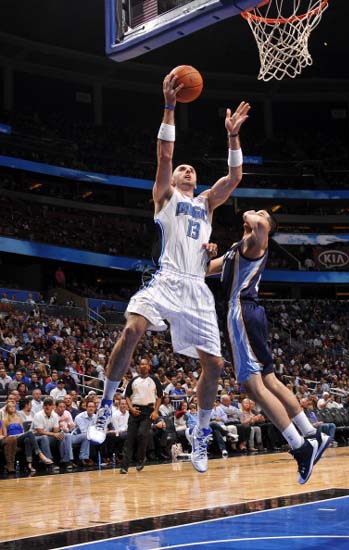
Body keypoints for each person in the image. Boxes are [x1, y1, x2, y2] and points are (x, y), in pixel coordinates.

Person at [88, 72, 250, 474]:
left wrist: (232, 138)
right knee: (132, 329)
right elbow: (163, 153)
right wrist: (170, 106)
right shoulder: (164, 198)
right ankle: (105, 407)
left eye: (192, 169)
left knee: (213, 365)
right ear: (173, 179)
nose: (187, 169)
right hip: (165, 279)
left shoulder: (208, 203)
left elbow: (234, 178)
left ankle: (201, 432)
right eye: (183, 168)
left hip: (196, 289)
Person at [207, 209, 331, 484]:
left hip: (241, 312)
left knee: (254, 387)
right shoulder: (236, 249)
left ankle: (300, 447)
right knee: (270, 379)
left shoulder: (256, 243)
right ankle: (311, 432)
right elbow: (205, 269)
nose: (257, 214)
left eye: (263, 214)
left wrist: (255, 215)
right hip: (248, 313)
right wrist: (204, 252)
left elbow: (260, 224)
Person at [120, 358, 163, 474]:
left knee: (142, 434)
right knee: (130, 438)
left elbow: (160, 396)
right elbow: (127, 396)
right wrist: (131, 408)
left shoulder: (154, 380)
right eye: (141, 364)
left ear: (149, 366)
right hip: (135, 411)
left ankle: (141, 459)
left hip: (148, 411)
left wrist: (155, 411)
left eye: (145, 364)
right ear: (139, 367)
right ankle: (124, 466)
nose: (143, 366)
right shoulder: (133, 380)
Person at [1, 401, 53, 472]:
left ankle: (29, 464)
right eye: (10, 407)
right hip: (12, 439)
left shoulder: (19, 418)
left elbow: (22, 431)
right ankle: (40, 454)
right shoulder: (4, 420)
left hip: (20, 438)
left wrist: (21, 435)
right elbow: (5, 435)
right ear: (7, 409)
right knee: (29, 433)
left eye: (13, 406)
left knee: (27, 440)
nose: (12, 408)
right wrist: (15, 436)